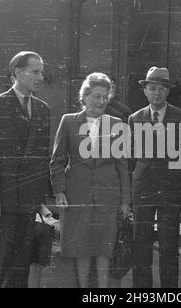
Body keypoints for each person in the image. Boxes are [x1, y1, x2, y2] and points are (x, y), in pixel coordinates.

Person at [0, 51, 51, 288]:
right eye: (35, 71)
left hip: (27, 203)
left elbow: (40, 160)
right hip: (1, 201)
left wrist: (39, 201)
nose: (41, 77)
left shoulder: (42, 108)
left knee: (20, 262)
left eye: (42, 72)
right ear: (17, 72)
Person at [50, 72, 131, 288]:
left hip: (107, 195)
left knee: (105, 247)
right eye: (96, 96)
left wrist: (125, 201)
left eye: (105, 97)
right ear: (84, 97)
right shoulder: (68, 121)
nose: (101, 101)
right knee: (81, 247)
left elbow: (122, 166)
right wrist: (59, 191)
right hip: (77, 194)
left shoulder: (116, 124)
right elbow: (56, 160)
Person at [129, 67, 181, 288]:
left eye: (161, 89)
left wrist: (180, 190)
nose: (156, 93)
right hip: (143, 189)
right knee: (141, 244)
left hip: (170, 190)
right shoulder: (135, 118)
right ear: (145, 91)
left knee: (169, 245)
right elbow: (131, 157)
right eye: (152, 88)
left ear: (168, 92)